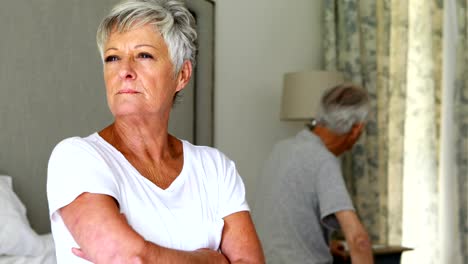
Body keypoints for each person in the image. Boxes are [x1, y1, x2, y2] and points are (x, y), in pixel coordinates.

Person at [46, 0, 264, 263]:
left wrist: (148, 252)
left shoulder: (215, 168)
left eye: (144, 55)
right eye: (113, 57)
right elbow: (126, 257)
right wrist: (212, 260)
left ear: (182, 75)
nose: (124, 71)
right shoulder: (76, 157)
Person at [252, 83, 373, 264]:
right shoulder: (323, 160)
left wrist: (321, 244)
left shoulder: (281, 149)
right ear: (356, 130)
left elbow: (282, 221)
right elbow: (358, 240)